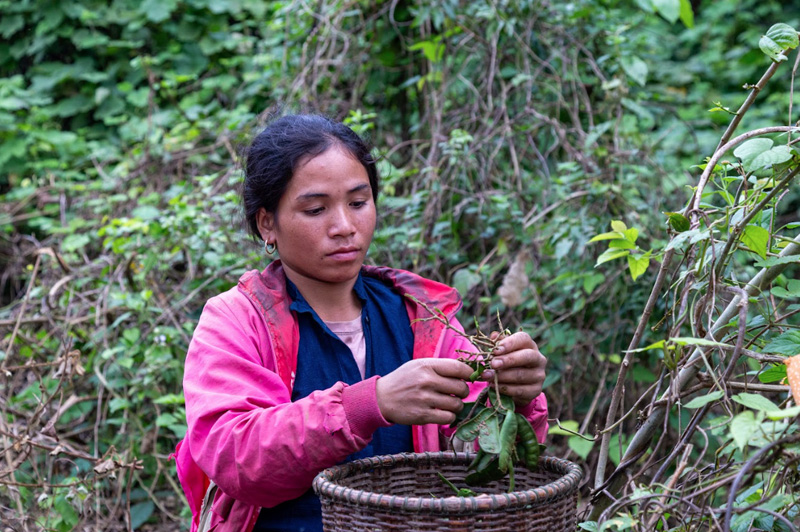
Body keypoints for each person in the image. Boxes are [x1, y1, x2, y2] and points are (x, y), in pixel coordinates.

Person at [173, 114, 548, 532]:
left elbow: (486, 464)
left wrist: (514, 395)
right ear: (267, 223)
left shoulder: (422, 316)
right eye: (315, 209)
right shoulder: (237, 320)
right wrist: (370, 404)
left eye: (358, 202)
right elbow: (235, 455)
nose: (344, 227)